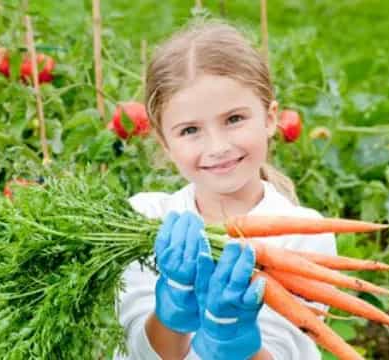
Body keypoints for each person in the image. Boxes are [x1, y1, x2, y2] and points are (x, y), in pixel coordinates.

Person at [115, 20, 337, 360]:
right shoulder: (145, 220)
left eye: (234, 119)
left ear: (269, 117)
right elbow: (138, 351)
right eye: (190, 130)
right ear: (163, 142)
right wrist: (171, 310)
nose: (217, 146)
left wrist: (233, 341)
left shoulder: (305, 235)